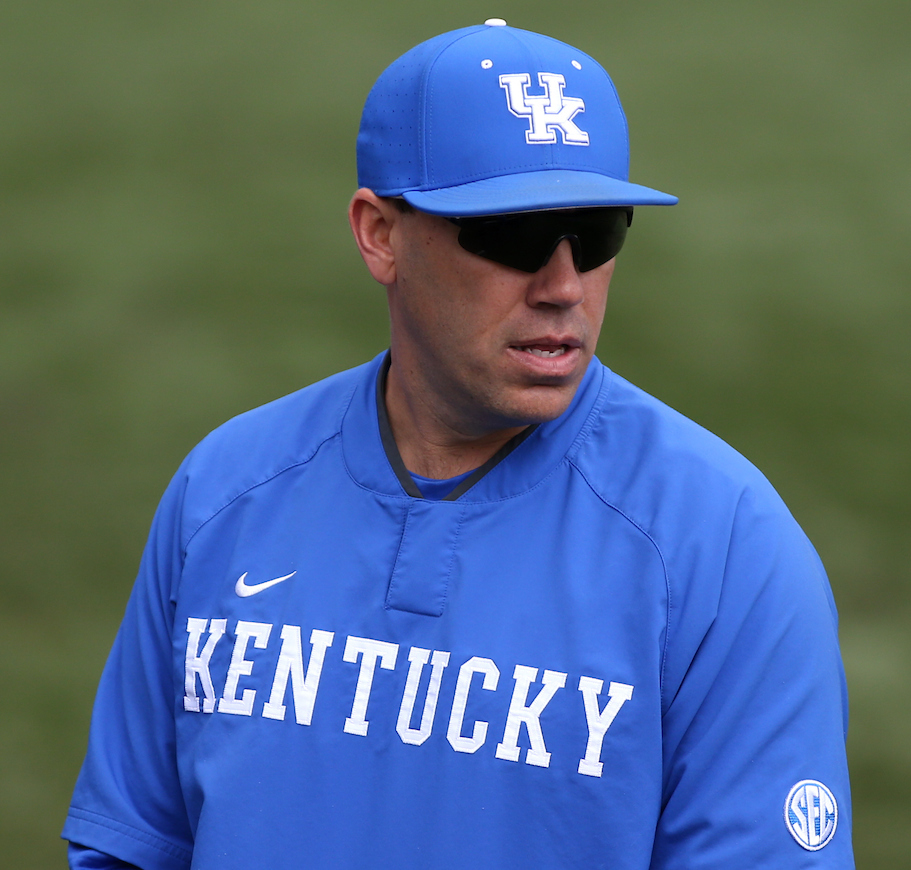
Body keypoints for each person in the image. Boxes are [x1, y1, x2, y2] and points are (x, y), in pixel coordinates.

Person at [63, 20, 855, 870]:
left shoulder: (723, 544)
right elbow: (132, 847)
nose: (561, 286)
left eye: (595, 235)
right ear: (381, 234)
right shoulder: (226, 490)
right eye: (512, 235)